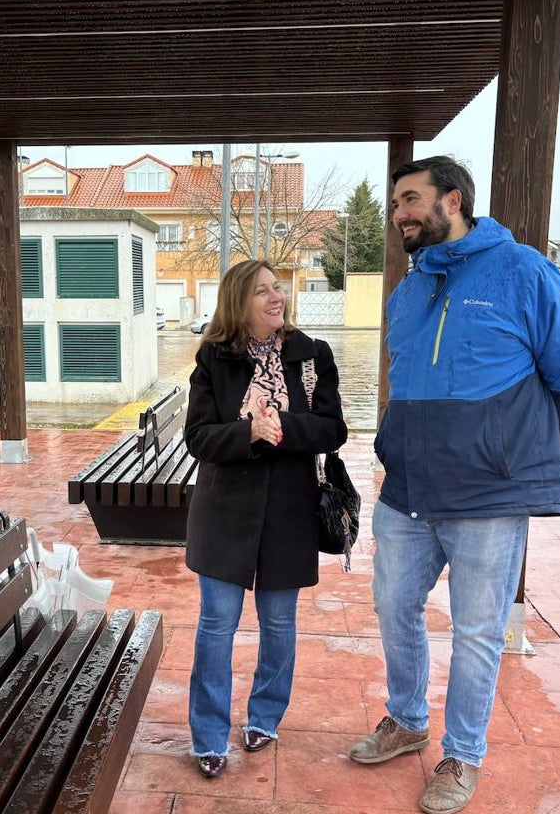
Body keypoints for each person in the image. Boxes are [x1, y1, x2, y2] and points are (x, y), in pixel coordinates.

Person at [349, 156, 560, 814]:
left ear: (452, 200)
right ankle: (406, 720)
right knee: (395, 608)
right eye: (395, 201)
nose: (397, 212)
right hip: (407, 493)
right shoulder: (409, 290)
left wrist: (522, 462)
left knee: (478, 631)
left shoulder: (524, 272)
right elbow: (405, 388)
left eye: (409, 199)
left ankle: (462, 755)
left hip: (489, 499)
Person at [184, 259, 348, 779]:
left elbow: (334, 428)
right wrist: (246, 435)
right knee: (216, 626)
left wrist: (281, 429)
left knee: (279, 623)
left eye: (278, 287)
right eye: (263, 291)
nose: (277, 296)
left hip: (289, 511)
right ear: (239, 303)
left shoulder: (312, 354)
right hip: (225, 511)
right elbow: (198, 438)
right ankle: (209, 737)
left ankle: (265, 717)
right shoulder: (213, 359)